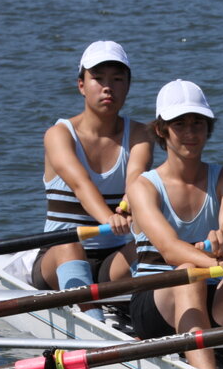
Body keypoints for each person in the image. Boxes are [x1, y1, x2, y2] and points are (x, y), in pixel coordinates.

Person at [126, 79, 223, 369]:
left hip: (211, 292)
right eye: (179, 124)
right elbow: (171, 250)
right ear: (161, 130)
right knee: (188, 273)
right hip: (154, 300)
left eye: (198, 123)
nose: (190, 133)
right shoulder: (144, 187)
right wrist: (219, 262)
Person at [33, 40, 153, 321]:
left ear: (128, 86)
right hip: (57, 257)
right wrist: (108, 219)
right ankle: (94, 329)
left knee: (150, 244)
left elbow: (136, 180)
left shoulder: (139, 134)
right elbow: (81, 185)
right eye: (98, 79)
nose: (107, 87)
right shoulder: (59, 134)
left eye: (117, 79)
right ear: (81, 85)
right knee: (69, 243)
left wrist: (127, 208)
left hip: (112, 261)